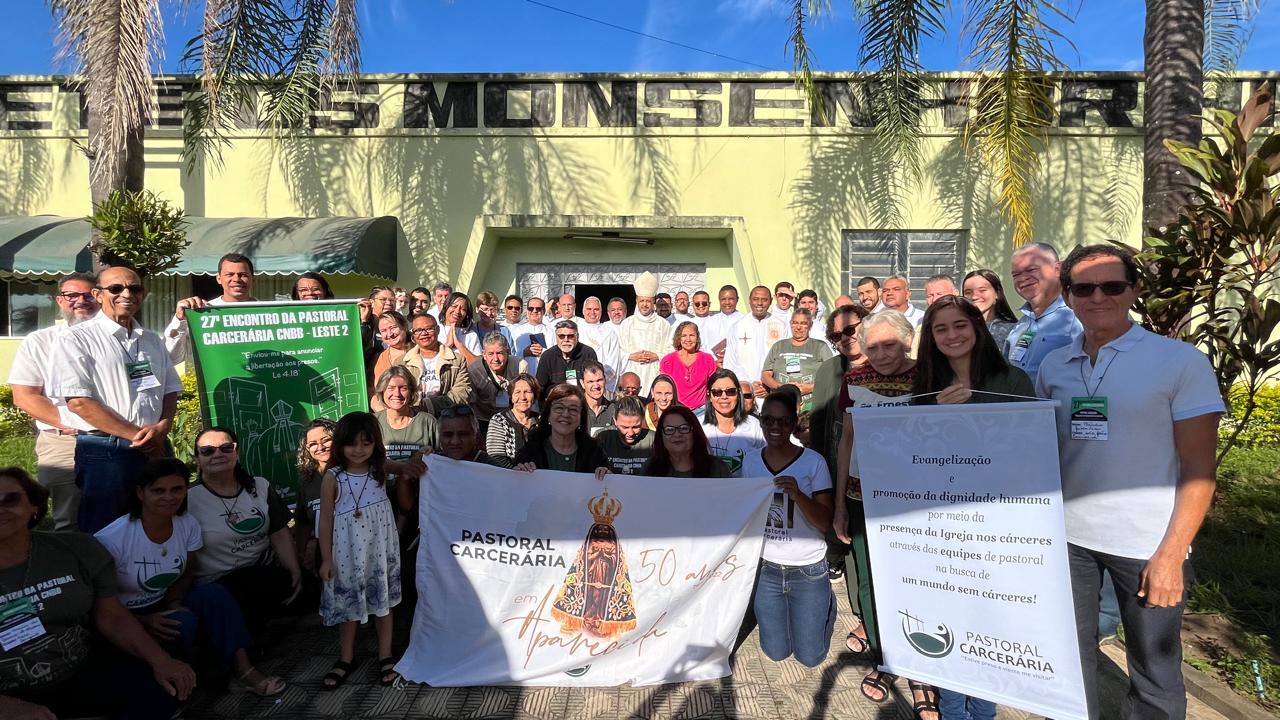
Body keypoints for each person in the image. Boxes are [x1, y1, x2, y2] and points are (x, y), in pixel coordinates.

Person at [1036, 245, 1224, 720]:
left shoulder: (1180, 362)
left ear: (1134, 291)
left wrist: (1171, 554)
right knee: (1068, 661)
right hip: (1067, 540)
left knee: (1155, 673)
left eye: (1112, 286)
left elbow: (1200, 471)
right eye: (1084, 287)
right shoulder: (1054, 366)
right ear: (1069, 295)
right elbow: (1042, 451)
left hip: (1146, 543)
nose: (1098, 296)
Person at [909, 297, 1033, 720]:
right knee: (950, 618)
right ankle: (951, 708)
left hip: (998, 522)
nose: (952, 335)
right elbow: (912, 454)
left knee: (988, 619)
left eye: (960, 325)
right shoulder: (924, 386)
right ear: (931, 338)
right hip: (942, 523)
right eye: (940, 329)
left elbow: (1027, 449)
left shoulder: (1012, 379)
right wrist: (937, 417)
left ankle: (983, 710)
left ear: (978, 327)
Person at [0, 467, 196, 720]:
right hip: (11, 693)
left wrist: (160, 660)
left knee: (164, 685)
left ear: (34, 506)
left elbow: (111, 615)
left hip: (83, 669)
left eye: (11, 499)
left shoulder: (77, 549)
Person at [94, 458, 284, 697]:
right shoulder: (112, 540)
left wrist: (175, 602)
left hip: (164, 601)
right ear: (140, 493)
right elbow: (99, 605)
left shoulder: (186, 524)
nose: (169, 497)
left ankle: (243, 670)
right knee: (181, 625)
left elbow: (188, 570)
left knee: (214, 596)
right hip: (127, 614)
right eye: (158, 491)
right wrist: (142, 620)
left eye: (177, 489)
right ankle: (176, 679)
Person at [831, 310, 924, 710]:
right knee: (869, 580)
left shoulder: (928, 377)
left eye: (890, 344)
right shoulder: (854, 380)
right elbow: (847, 440)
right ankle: (886, 657)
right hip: (862, 496)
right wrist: (838, 505)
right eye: (873, 347)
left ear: (907, 339)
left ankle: (923, 664)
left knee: (916, 580)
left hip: (916, 499)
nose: (882, 354)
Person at [49, 265, 182, 534]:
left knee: (160, 524)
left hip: (155, 445)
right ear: (98, 295)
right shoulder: (76, 339)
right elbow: (78, 402)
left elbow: (170, 390)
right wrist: (140, 437)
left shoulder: (151, 340)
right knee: (107, 530)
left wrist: (163, 427)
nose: (127, 294)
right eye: (116, 288)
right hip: (106, 450)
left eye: (135, 288)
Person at [743, 389, 836, 668]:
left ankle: (825, 605)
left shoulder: (813, 462)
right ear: (760, 421)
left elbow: (824, 522)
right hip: (767, 569)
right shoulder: (750, 461)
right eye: (768, 420)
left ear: (794, 423)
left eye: (783, 421)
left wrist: (799, 495)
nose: (775, 427)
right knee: (776, 653)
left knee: (811, 657)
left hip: (807, 569)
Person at [186, 427, 305, 640]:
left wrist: (294, 570)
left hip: (263, 569)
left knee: (309, 587)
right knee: (249, 592)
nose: (218, 454)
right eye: (207, 451)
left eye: (225, 448)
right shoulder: (186, 498)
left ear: (237, 452)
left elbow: (279, 533)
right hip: (218, 581)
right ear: (197, 458)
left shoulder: (259, 485)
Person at [317, 412, 402, 689]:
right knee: (348, 605)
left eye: (366, 443)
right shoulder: (333, 477)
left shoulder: (380, 468)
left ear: (375, 443)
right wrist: (326, 559)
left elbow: (408, 469)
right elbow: (326, 519)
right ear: (340, 444)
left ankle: (386, 655)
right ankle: (346, 657)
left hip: (379, 550)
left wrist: (424, 458)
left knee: (384, 602)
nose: (359, 450)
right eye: (351, 443)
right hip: (346, 554)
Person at [9, 272, 99, 531]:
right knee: (69, 519)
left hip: (115, 440)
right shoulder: (40, 342)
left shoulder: (117, 338)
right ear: (59, 300)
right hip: (64, 442)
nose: (81, 301)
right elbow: (24, 396)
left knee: (117, 513)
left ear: (100, 298)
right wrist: (71, 421)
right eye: (72, 295)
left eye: (89, 294)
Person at [809, 303, 869, 580]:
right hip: (838, 461)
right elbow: (818, 422)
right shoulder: (828, 370)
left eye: (850, 329)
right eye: (836, 335)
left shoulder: (889, 362)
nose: (845, 338)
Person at [1005, 242, 1082, 378]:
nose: (1023, 278)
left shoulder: (1079, 316)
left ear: (1058, 269)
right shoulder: (1021, 324)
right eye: (1016, 274)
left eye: (1031, 270)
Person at [164, 252, 257, 364]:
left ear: (253, 279)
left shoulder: (269, 313)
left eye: (243, 275)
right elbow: (173, 359)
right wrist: (180, 320)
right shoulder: (202, 313)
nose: (236, 279)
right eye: (230, 274)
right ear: (218, 279)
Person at [373, 367, 437, 520]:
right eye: (391, 388)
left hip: (419, 500)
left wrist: (428, 454)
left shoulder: (427, 421)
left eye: (403, 388)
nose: (397, 394)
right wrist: (405, 468)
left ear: (412, 391)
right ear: (382, 391)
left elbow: (441, 458)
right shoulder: (373, 422)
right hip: (380, 500)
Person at [513, 384, 610, 473]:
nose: (565, 414)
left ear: (581, 416)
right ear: (548, 414)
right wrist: (518, 474)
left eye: (573, 409)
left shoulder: (595, 454)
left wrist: (607, 477)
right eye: (559, 408)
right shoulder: (530, 452)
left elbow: (606, 489)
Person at [396, 312, 473, 416]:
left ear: (437, 330)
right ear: (413, 336)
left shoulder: (457, 361)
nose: (424, 333)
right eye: (418, 330)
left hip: (447, 418)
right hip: (413, 418)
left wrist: (428, 405)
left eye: (429, 329)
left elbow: (462, 393)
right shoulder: (401, 363)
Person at [761, 309, 832, 413]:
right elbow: (765, 375)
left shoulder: (820, 347)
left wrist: (811, 388)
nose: (798, 327)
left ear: (810, 325)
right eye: (795, 323)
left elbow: (832, 376)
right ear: (790, 324)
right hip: (782, 402)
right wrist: (782, 388)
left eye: (803, 323)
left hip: (811, 404)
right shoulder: (778, 346)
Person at [724, 286, 787, 398]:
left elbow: (784, 359)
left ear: (771, 301)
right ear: (749, 300)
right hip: (745, 392)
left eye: (764, 299)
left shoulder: (781, 326)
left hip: (772, 393)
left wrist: (769, 384)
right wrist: (749, 383)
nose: (760, 303)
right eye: (755, 299)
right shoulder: (737, 326)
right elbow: (731, 361)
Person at [701, 369, 765, 477]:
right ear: (709, 395)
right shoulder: (699, 426)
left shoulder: (754, 426)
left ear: (738, 394)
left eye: (730, 391)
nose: (724, 396)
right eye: (717, 392)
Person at [295, 418, 336, 578]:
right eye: (312, 444)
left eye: (326, 440)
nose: (320, 447)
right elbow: (302, 522)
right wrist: (301, 554)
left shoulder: (352, 472)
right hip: (325, 557)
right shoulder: (307, 481)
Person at [642, 406, 731, 478]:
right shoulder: (650, 468)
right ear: (661, 435)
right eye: (669, 429)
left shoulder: (717, 468)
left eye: (684, 428)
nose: (677, 434)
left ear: (694, 432)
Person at [617, 272, 671, 388]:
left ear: (653, 302)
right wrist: (630, 356)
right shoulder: (626, 324)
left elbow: (671, 350)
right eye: (642, 301)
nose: (645, 304)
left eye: (648, 301)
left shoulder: (663, 324)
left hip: (655, 371)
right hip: (632, 370)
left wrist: (657, 356)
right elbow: (617, 350)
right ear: (637, 301)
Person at [467, 332, 526, 432]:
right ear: (484, 355)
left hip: (514, 418)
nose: (496, 359)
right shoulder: (474, 372)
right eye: (490, 354)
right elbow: (471, 405)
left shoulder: (520, 366)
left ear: (507, 352)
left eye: (499, 353)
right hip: (484, 421)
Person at [660, 320, 718, 412]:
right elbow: (663, 388)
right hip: (675, 410)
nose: (688, 339)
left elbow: (714, 386)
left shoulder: (708, 359)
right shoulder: (668, 361)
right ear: (678, 338)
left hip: (702, 410)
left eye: (692, 335)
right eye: (684, 336)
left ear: (697, 337)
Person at [485, 373, 541, 468]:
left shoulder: (542, 421)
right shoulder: (499, 420)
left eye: (527, 392)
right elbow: (495, 457)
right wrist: (515, 471)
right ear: (511, 397)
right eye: (517, 392)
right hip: (508, 477)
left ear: (535, 396)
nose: (522, 397)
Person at [593, 396, 654, 475]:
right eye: (625, 427)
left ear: (642, 420)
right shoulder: (602, 437)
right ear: (615, 421)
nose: (630, 433)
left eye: (636, 427)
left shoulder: (653, 439)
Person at [535, 319, 599, 392]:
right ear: (556, 337)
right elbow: (540, 387)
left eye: (570, 336)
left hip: (582, 401)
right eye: (561, 336)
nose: (566, 340)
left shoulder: (588, 354)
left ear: (577, 336)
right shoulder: (547, 356)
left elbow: (594, 383)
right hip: (556, 401)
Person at [963, 268, 1019, 349]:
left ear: (997, 294)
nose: (974, 296)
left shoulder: (1012, 331)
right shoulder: (959, 329)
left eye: (982, 290)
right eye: (968, 292)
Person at [577, 296, 624, 392]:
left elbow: (613, 361)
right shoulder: (576, 331)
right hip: (580, 384)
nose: (592, 312)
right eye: (589, 309)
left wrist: (598, 381)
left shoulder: (609, 332)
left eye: (596, 309)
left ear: (601, 312)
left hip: (602, 384)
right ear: (583, 311)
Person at [700, 284, 742, 364]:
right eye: (723, 299)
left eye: (731, 299)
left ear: (737, 299)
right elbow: (703, 346)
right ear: (719, 300)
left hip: (737, 366)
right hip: (714, 366)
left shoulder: (744, 321)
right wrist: (714, 361)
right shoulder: (709, 322)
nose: (727, 302)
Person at [439, 291, 483, 365]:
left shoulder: (471, 335)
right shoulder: (435, 330)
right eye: (454, 306)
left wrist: (459, 344)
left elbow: (478, 365)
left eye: (463, 309)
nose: (457, 311)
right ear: (446, 307)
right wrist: (448, 345)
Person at [510, 296, 552, 375]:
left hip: (545, 374)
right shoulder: (517, 331)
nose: (534, 311)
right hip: (523, 375)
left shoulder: (551, 332)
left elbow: (556, 355)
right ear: (527, 310)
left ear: (543, 311)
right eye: (531, 308)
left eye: (538, 309)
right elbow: (511, 355)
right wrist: (524, 352)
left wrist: (542, 351)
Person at [371, 310, 411, 383]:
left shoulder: (420, 349)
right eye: (383, 331)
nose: (389, 334)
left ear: (404, 326)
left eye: (393, 328)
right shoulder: (382, 359)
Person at [581, 361, 615, 432]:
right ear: (582, 383)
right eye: (590, 382)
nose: (596, 386)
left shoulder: (614, 410)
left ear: (605, 380)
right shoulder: (575, 410)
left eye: (599, 380)